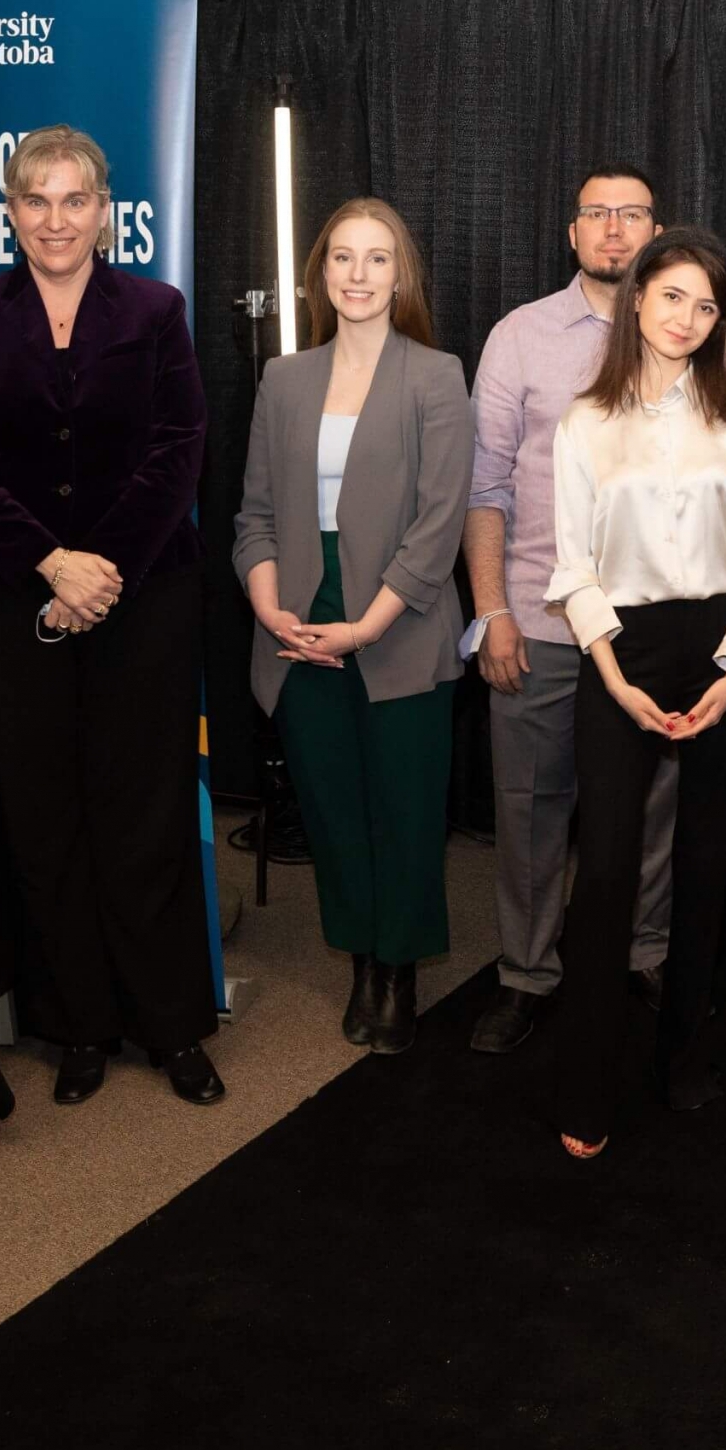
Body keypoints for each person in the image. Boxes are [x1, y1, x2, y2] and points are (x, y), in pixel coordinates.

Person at [0, 123, 222, 1107]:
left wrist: (103, 572)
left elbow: (179, 445)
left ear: (105, 210)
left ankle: (172, 1025)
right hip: (5, 598)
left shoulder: (155, 309)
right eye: (35, 199)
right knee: (43, 812)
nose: (55, 219)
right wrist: (50, 563)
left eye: (74, 199)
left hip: (145, 593)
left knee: (143, 808)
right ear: (11, 212)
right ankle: (81, 1024)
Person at [547, 228, 726, 1158]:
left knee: (706, 863)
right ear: (637, 295)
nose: (688, 317)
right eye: (673, 295)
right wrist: (615, 678)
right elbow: (574, 571)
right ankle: (584, 1085)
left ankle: (684, 1060)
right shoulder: (584, 422)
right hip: (622, 648)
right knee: (605, 874)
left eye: (707, 304)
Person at [236, 198, 472, 1056]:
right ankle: (361, 959)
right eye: (343, 257)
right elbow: (255, 514)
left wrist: (364, 626)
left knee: (405, 809)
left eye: (378, 259)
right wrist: (269, 609)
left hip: (397, 624)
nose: (360, 275)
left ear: (400, 273)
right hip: (297, 628)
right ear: (321, 272)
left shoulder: (436, 375)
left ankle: (400, 967)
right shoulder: (284, 381)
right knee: (334, 810)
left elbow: (439, 525)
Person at [463, 162, 681, 1055]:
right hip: (541, 621)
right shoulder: (520, 337)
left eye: (633, 214)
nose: (615, 229)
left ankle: (644, 956)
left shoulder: (685, 332)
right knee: (529, 808)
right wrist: (491, 612)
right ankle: (526, 973)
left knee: (650, 808)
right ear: (572, 232)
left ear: (656, 229)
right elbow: (486, 488)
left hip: (654, 626)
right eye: (598, 213)